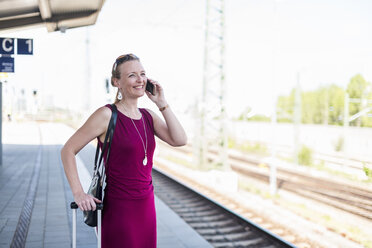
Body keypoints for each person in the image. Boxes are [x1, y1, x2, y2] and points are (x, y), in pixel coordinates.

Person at [61, 53, 187, 248]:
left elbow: (179, 139)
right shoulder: (106, 115)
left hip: (145, 206)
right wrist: (79, 193)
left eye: (143, 74)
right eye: (132, 75)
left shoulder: (148, 116)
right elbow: (68, 150)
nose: (140, 80)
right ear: (116, 82)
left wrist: (162, 104)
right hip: (118, 209)